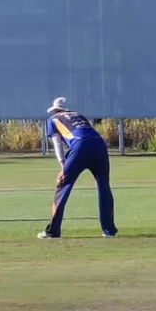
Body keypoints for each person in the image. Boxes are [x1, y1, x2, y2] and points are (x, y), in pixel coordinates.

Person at [39, 97, 117, 239]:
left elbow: (57, 143)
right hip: (99, 145)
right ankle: (109, 230)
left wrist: (63, 164)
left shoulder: (53, 119)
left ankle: (53, 231)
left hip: (80, 146)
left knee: (63, 185)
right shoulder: (79, 116)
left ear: (56, 110)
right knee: (104, 186)